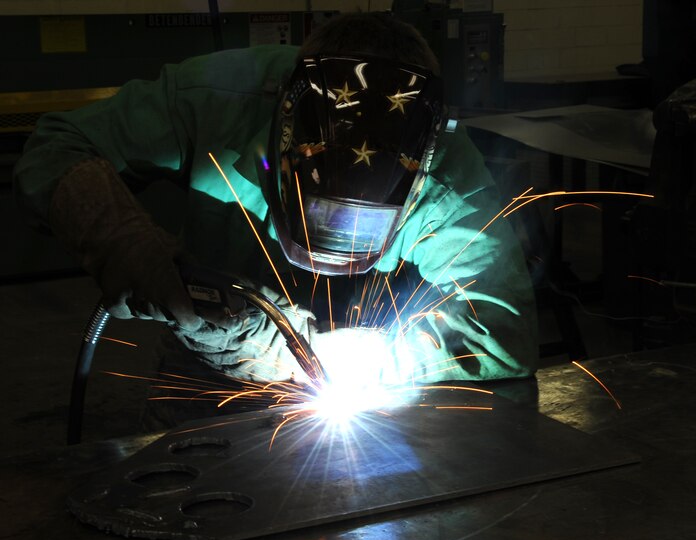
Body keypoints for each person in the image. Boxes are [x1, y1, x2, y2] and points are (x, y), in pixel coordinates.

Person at [13, 12, 538, 397]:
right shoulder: (210, 100)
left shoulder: (442, 167)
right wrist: (125, 243)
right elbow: (54, 147)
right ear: (281, 130)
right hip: (207, 354)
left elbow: (502, 334)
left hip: (371, 367)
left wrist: (364, 362)